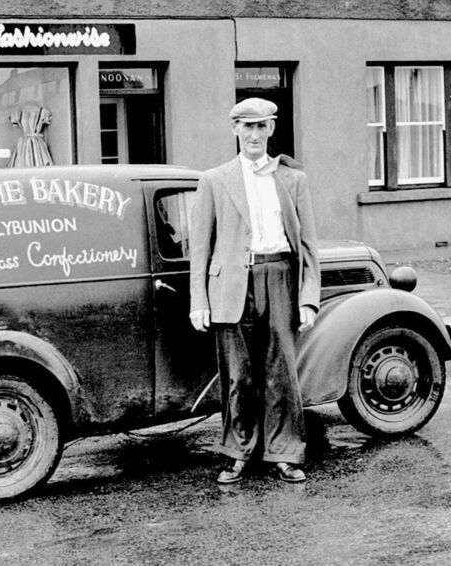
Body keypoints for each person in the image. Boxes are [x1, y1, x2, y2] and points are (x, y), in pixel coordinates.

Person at [189, 97, 320, 484]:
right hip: (231, 287)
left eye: (262, 127)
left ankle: (284, 454)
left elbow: (309, 245)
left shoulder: (292, 179)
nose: (255, 135)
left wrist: (308, 298)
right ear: (235, 130)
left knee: (282, 374)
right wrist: (199, 301)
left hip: (279, 278)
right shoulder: (214, 180)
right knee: (238, 377)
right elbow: (200, 247)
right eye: (247, 127)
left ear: (272, 130)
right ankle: (238, 453)